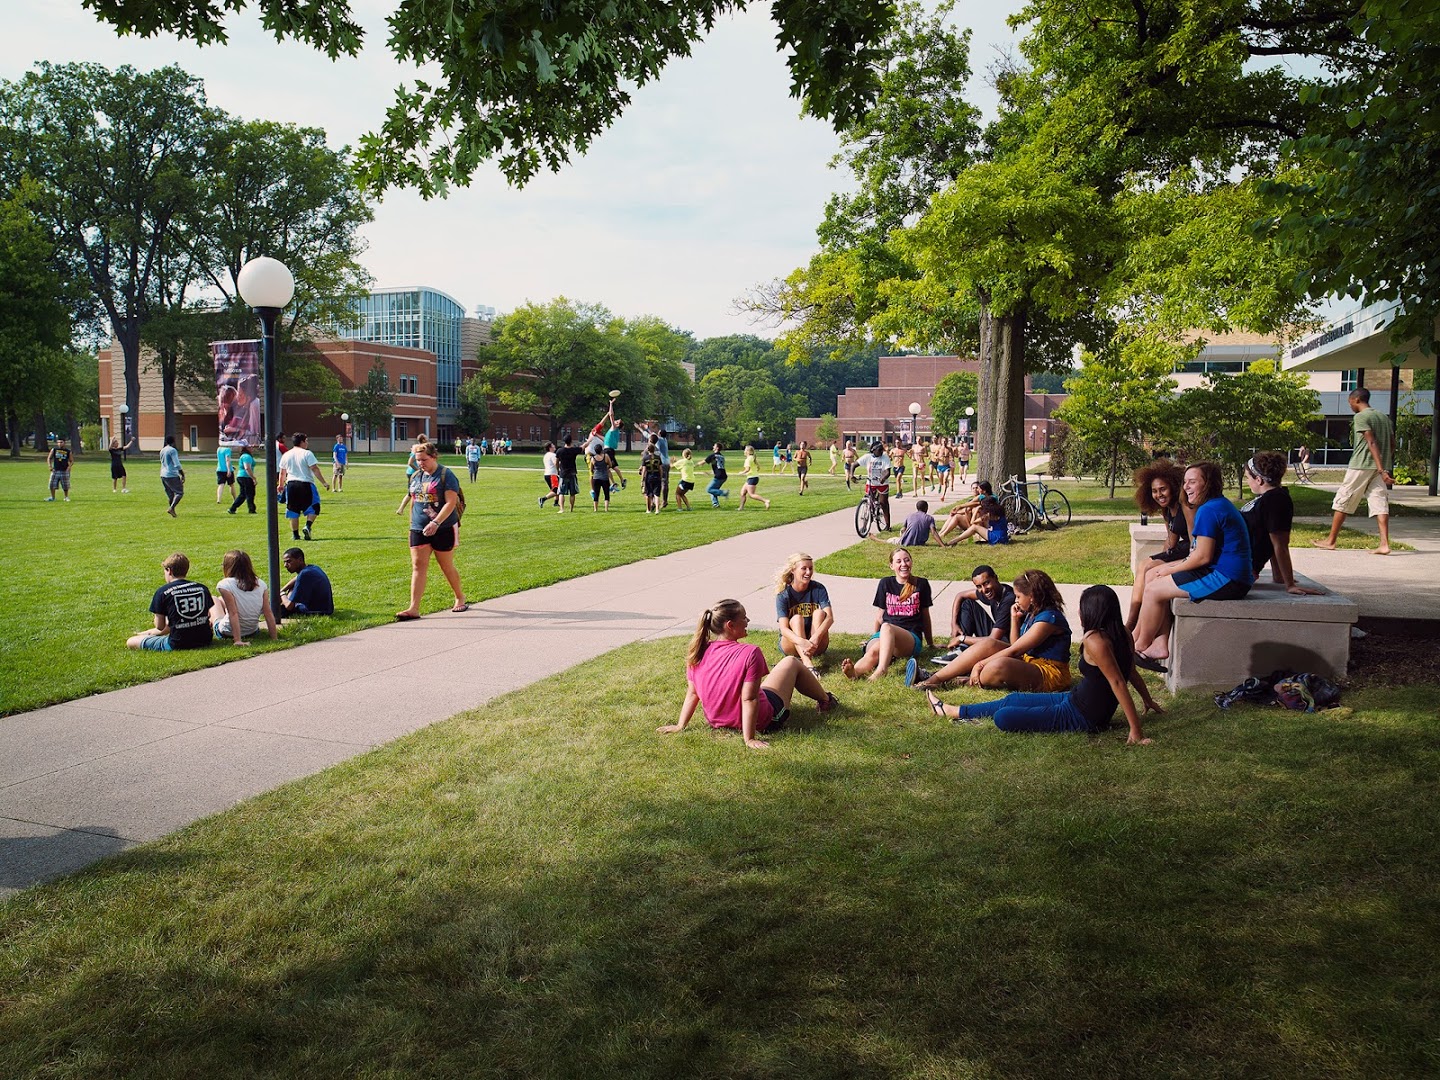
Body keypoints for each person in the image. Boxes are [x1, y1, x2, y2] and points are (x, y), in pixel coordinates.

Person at [924, 585, 1161, 744]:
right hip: (1075, 699)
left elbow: (1118, 681)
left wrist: (1136, 731)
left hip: (1082, 716)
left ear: (1092, 611)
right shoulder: (1122, 633)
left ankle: (955, 712)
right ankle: (953, 710)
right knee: (1013, 699)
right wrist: (1147, 700)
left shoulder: (1095, 640)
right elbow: (1131, 671)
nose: (1079, 612)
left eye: (1082, 607)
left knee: (1004, 717)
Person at [658, 598, 838, 751]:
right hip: (765, 720)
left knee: (770, 678)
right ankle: (826, 700)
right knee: (791, 662)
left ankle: (825, 699)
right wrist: (749, 738)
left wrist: (680, 725)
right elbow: (749, 699)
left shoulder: (697, 652)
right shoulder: (751, 652)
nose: (748, 620)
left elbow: (692, 693)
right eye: (744, 618)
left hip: (717, 720)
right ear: (730, 625)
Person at [1132, 461, 1253, 671]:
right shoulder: (1214, 505)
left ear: (1208, 484)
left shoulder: (1210, 510)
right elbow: (1200, 554)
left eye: (1193, 482)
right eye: (1185, 482)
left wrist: (1170, 569)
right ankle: (1157, 643)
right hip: (1218, 570)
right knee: (1152, 575)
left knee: (1153, 589)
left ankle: (1139, 647)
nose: (1186, 487)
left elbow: (1202, 557)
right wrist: (1166, 569)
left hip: (1228, 579)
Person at [913, 568, 1070, 691]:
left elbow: (1015, 650)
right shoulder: (1032, 612)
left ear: (1032, 596)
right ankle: (934, 679)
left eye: (1018, 597)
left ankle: (959, 681)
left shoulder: (1048, 619)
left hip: (1048, 672)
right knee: (988, 644)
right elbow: (1015, 645)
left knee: (998, 665)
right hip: (1028, 661)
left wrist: (980, 664)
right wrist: (1014, 619)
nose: (1016, 600)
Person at [1314, 386, 1395, 556]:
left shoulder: (1361, 416)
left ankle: (1331, 541)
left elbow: (1371, 442)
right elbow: (1392, 444)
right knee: (1379, 502)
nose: (1350, 405)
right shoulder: (1384, 417)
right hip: (1379, 467)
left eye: (1350, 402)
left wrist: (1381, 469)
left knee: (1344, 499)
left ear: (1356, 399)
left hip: (1361, 465)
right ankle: (1384, 544)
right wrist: (1383, 467)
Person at [395, 441, 466, 619]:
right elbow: (414, 501)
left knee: (446, 565)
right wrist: (413, 524)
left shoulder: (446, 475)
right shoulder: (416, 476)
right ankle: (413, 608)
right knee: (418, 566)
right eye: (418, 460)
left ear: (434, 457)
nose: (420, 463)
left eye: (424, 459)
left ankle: (459, 597)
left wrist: (436, 522)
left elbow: (451, 502)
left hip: (443, 528)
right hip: (419, 528)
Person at [842, 546, 933, 681]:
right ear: (891, 566)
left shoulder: (921, 584)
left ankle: (882, 669)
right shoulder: (885, 583)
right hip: (885, 633)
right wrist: (873, 637)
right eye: (898, 561)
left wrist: (930, 643)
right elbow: (880, 615)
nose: (904, 564)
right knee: (874, 650)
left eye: (907, 560)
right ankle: (854, 673)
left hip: (910, 637)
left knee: (886, 627)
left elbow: (925, 616)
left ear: (911, 562)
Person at [1242, 451, 1324, 596]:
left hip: (1239, 569)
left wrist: (1290, 584)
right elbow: (1268, 538)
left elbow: (1280, 544)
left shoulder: (1276, 501)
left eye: (1247, 478)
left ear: (1259, 480)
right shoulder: (1267, 498)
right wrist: (1278, 576)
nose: (1247, 482)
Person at [1125, 460, 1193, 631]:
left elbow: (1192, 541)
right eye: (1154, 491)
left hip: (1192, 549)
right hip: (1181, 548)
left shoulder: (1184, 506)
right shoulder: (1167, 508)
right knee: (1143, 565)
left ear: (1173, 487)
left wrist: (1163, 563)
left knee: (1149, 568)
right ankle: (1132, 621)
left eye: (1163, 489)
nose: (1158, 494)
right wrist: (1160, 558)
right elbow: (1171, 540)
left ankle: (1133, 624)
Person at [126, 552, 213, 651]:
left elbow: (160, 626)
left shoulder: (162, 592)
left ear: (169, 571)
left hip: (178, 643)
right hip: (205, 639)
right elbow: (207, 615)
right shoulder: (202, 588)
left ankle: (146, 636)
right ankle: (146, 634)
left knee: (131, 641)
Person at [775, 552, 834, 671]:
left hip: (815, 643)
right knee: (796, 619)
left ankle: (807, 657)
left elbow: (830, 618)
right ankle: (808, 664)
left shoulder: (819, 588)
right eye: (804, 568)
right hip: (792, 644)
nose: (808, 572)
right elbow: (784, 629)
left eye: (810, 568)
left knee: (819, 613)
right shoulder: (783, 595)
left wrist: (815, 638)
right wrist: (802, 642)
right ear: (793, 570)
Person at [941, 565, 1015, 659]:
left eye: (986, 583)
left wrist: (962, 638)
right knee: (968, 603)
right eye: (979, 586)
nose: (984, 590)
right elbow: (960, 595)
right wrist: (954, 623)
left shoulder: (1008, 599)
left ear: (995, 578)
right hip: (998, 636)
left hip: (1009, 644)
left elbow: (993, 639)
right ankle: (961, 648)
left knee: (988, 639)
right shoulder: (992, 592)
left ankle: (962, 646)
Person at [209, 549, 278, 646]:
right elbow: (268, 612)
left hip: (227, 632)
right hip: (252, 631)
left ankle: (209, 623)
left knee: (214, 599)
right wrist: (274, 637)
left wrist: (237, 640)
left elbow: (233, 613)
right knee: (221, 599)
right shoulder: (261, 584)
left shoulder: (225, 584)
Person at [277, 433, 331, 541]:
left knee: (293, 510)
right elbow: (314, 468)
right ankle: (308, 526)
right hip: (306, 484)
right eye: (306, 441)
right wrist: (324, 482)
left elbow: (282, 472)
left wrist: (281, 485)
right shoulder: (307, 453)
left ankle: (295, 535)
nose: (307, 443)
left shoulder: (286, 455)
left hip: (291, 485)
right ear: (302, 442)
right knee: (314, 507)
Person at [279, 547, 334, 616]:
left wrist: (282, 594)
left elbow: (289, 607)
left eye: (289, 561)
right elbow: (296, 578)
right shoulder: (312, 568)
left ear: (300, 560)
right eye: (284, 562)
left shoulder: (304, 574)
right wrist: (283, 589)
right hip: (327, 608)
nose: (285, 565)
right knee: (292, 588)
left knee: (280, 610)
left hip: (317, 611)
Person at [856, 440, 892, 530]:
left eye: (882, 450)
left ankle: (887, 525)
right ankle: (865, 525)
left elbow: (888, 471)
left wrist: (883, 478)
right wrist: (851, 475)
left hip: (882, 484)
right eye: (879, 450)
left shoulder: (885, 457)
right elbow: (854, 465)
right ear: (873, 450)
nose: (881, 452)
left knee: (883, 503)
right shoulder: (867, 457)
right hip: (871, 483)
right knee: (869, 502)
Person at [554, 435, 583, 513]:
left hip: (563, 473)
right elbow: (583, 447)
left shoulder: (559, 451)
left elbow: (556, 462)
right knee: (572, 493)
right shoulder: (574, 450)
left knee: (561, 492)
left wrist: (558, 470)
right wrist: (590, 439)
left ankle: (562, 509)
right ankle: (571, 509)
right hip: (572, 473)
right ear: (571, 441)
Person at [227, 444, 257, 514]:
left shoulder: (244, 456)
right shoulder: (247, 456)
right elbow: (247, 468)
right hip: (246, 477)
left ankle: (233, 508)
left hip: (241, 477)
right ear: (246, 448)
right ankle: (251, 510)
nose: (252, 448)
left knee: (243, 494)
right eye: (250, 447)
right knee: (250, 494)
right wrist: (253, 478)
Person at [159, 434, 185, 517]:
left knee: (170, 494)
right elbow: (176, 463)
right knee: (179, 492)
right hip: (171, 474)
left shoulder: (162, 450)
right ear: (173, 442)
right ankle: (171, 508)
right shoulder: (172, 450)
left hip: (163, 474)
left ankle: (172, 510)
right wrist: (182, 474)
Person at [738, 444, 771, 509]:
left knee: (751, 494)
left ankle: (766, 501)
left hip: (752, 478)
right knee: (742, 492)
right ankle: (741, 507)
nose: (744, 451)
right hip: (753, 477)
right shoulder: (753, 457)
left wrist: (741, 472)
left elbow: (747, 469)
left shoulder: (748, 459)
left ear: (748, 451)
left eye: (745, 450)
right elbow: (758, 467)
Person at [640, 433, 665, 513]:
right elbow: (660, 468)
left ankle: (648, 509)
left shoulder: (645, 458)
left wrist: (642, 479)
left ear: (648, 450)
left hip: (649, 476)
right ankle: (657, 509)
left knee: (648, 494)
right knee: (657, 494)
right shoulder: (658, 457)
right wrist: (661, 476)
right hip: (657, 476)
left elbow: (644, 470)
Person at [588, 442, 613, 511]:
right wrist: (606, 467)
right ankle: (606, 509)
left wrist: (595, 471)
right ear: (601, 450)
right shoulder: (606, 456)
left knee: (596, 494)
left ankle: (595, 509)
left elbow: (591, 469)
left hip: (596, 478)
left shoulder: (593, 458)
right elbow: (610, 465)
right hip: (605, 477)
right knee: (606, 494)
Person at [538, 440, 560, 507]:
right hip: (552, 474)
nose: (554, 446)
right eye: (553, 446)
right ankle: (543, 499)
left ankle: (556, 503)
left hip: (547, 474)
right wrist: (559, 469)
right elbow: (556, 463)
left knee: (556, 488)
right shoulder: (553, 455)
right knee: (557, 490)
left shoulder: (546, 455)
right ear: (550, 448)